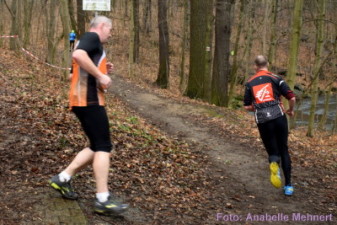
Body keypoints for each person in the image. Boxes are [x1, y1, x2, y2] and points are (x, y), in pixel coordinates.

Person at [49, 16, 129, 215]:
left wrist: (101, 69)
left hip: (82, 101)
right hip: (89, 101)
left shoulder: (88, 43)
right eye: (110, 30)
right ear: (102, 26)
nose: (110, 34)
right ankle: (102, 199)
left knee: (96, 145)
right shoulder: (92, 37)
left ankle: (63, 178)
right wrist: (101, 75)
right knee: (103, 146)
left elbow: (71, 74)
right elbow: (77, 56)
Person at [243, 55, 296, 196]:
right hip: (278, 117)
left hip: (263, 120)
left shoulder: (250, 83)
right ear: (268, 64)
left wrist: (259, 107)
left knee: (273, 151)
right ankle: (288, 186)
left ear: (255, 66)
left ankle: (274, 162)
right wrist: (290, 110)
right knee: (283, 149)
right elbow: (292, 97)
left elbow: (247, 106)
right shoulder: (276, 78)